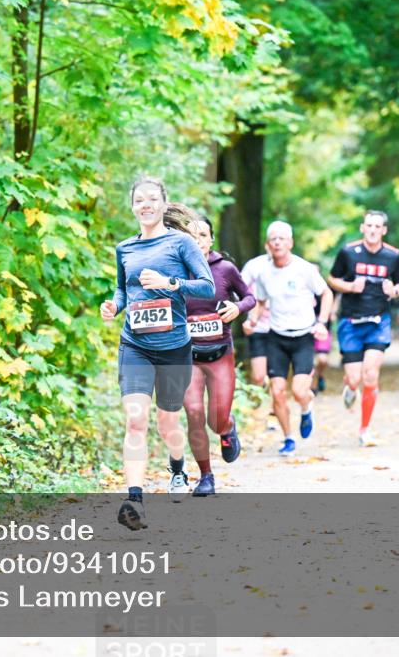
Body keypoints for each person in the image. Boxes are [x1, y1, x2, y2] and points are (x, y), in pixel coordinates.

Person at [100, 176, 215, 530]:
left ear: (164, 204)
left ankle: (177, 467)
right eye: (139, 200)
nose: (145, 205)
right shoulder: (125, 248)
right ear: (132, 206)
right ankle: (134, 500)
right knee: (136, 420)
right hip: (134, 344)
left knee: (168, 424)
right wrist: (114, 306)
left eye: (152, 199)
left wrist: (170, 284)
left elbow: (207, 287)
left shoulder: (180, 243)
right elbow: (124, 289)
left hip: (175, 347)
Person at [182, 211, 256, 496]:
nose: (197, 240)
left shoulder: (225, 268)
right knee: (193, 411)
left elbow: (249, 297)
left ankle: (227, 428)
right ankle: (206, 476)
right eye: (191, 234)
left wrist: (238, 308)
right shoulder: (174, 269)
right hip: (187, 355)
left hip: (220, 352)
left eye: (203, 234)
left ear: (211, 239)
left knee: (216, 419)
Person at [244, 222, 332, 456]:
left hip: (303, 337)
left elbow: (326, 293)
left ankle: (306, 408)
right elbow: (261, 301)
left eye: (282, 238)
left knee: (300, 391)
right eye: (273, 238)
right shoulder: (263, 273)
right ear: (268, 244)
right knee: (278, 391)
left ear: (290, 243)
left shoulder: (304, 269)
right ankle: (288, 438)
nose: (277, 242)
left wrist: (321, 322)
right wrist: (252, 321)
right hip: (276, 338)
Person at [327, 210, 399, 447]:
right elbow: (332, 279)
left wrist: (394, 291)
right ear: (362, 228)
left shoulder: (393, 256)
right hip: (351, 322)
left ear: (384, 230)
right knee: (354, 379)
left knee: (370, 375)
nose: (372, 230)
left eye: (377, 226)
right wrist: (350, 287)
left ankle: (365, 429)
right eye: (368, 225)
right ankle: (350, 388)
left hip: (378, 322)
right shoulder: (348, 253)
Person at [241, 252, 273, 387]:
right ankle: (261, 396)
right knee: (259, 376)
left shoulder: (293, 266)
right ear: (267, 245)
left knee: (276, 375)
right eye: (273, 239)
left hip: (281, 328)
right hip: (257, 326)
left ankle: (274, 405)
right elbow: (239, 289)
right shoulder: (253, 265)